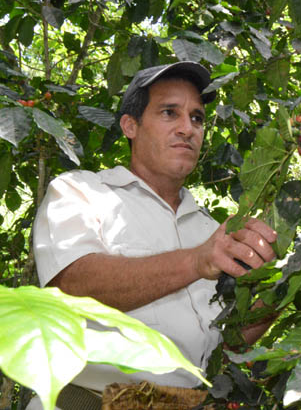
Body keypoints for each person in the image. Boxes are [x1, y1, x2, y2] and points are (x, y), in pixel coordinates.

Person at [27, 61, 278, 410]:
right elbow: (71, 288)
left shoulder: (210, 230)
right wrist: (196, 260)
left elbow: (227, 346)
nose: (187, 128)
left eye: (197, 118)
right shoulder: (80, 192)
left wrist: (283, 290)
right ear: (130, 125)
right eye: (169, 113)